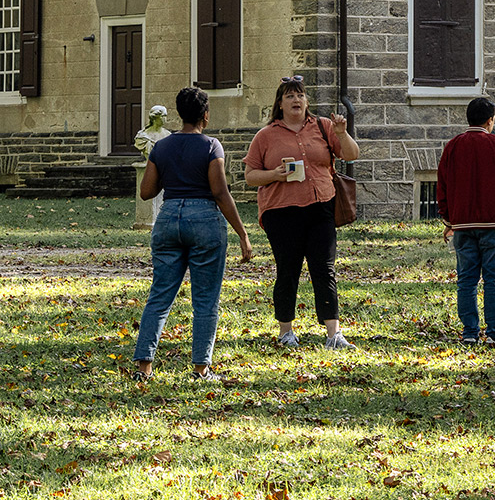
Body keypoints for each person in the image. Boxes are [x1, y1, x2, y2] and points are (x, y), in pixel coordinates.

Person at [132, 87, 254, 382]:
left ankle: (144, 367)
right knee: (205, 299)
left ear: (179, 114)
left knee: (159, 296)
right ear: (206, 115)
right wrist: (242, 234)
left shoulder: (162, 147)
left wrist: (170, 173)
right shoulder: (212, 146)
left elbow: (146, 191)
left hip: (169, 217)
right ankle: (201, 368)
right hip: (205, 222)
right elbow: (220, 192)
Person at [243, 75, 361, 349]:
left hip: (321, 207)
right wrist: (274, 174)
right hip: (281, 212)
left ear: (306, 101)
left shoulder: (323, 126)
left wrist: (342, 133)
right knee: (288, 270)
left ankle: (334, 334)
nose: (297, 100)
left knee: (324, 269)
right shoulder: (266, 136)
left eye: (300, 96)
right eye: (290, 96)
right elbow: (250, 176)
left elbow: (352, 154)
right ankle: (286, 332)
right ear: (280, 104)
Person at [437, 96, 495, 346]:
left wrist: (448, 218)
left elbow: (442, 185)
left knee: (466, 279)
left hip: (463, 223)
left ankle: (469, 333)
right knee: (494, 280)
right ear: (489, 121)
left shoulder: (453, 146)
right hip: (494, 222)